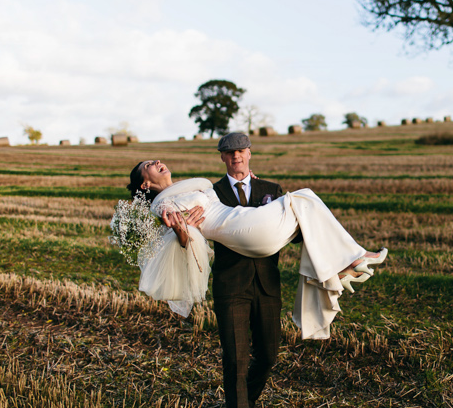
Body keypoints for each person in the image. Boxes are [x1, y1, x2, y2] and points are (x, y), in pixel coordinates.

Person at [124, 133, 387, 408]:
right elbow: (189, 239)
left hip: (266, 281)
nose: (236, 156)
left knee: (268, 356)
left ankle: (343, 263)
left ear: (249, 153)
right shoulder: (171, 204)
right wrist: (181, 231)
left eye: (241, 151)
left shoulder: (268, 187)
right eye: (148, 165)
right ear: (223, 157)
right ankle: (350, 260)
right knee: (236, 359)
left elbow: (299, 233)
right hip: (232, 283)